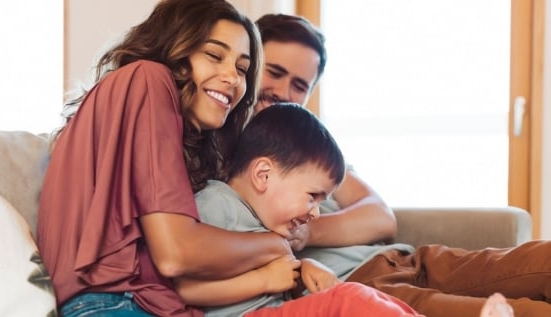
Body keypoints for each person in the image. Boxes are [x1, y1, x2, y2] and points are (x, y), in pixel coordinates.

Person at [253, 13, 551, 317]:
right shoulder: (230, 155)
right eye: (274, 73)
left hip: (405, 260)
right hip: (362, 286)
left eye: (299, 85)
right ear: (249, 64)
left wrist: (309, 233)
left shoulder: (310, 145)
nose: (283, 92)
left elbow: (380, 216)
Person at [36, 1, 295, 316]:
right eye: (214, 55)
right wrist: (277, 244)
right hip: (113, 305)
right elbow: (176, 253)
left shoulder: (166, 126)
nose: (232, 77)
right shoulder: (148, 78)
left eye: (242, 68)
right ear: (176, 49)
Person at [186, 103, 424, 317]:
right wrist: (263, 280)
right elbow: (187, 289)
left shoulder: (269, 224)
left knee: (364, 295)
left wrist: (303, 268)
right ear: (263, 175)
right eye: (312, 196)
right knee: (347, 299)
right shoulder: (216, 203)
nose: (316, 214)